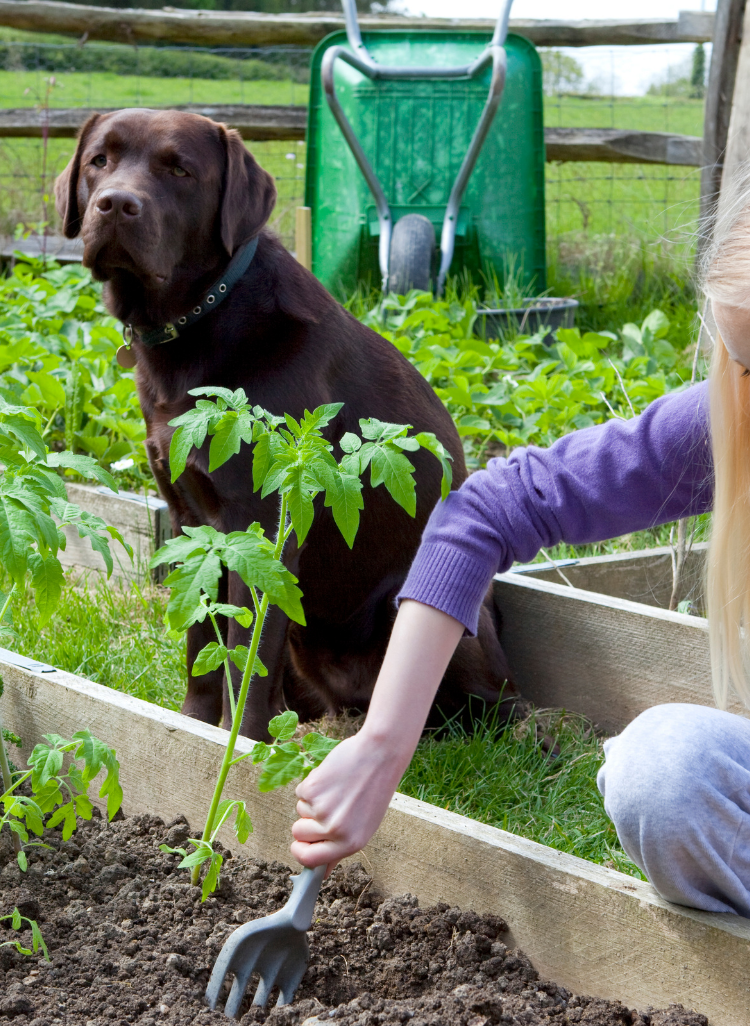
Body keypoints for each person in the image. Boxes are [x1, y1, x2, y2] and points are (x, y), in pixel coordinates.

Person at [293, 188, 750, 921]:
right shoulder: (730, 418)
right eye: (743, 361)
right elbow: (492, 506)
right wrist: (382, 744)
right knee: (664, 769)